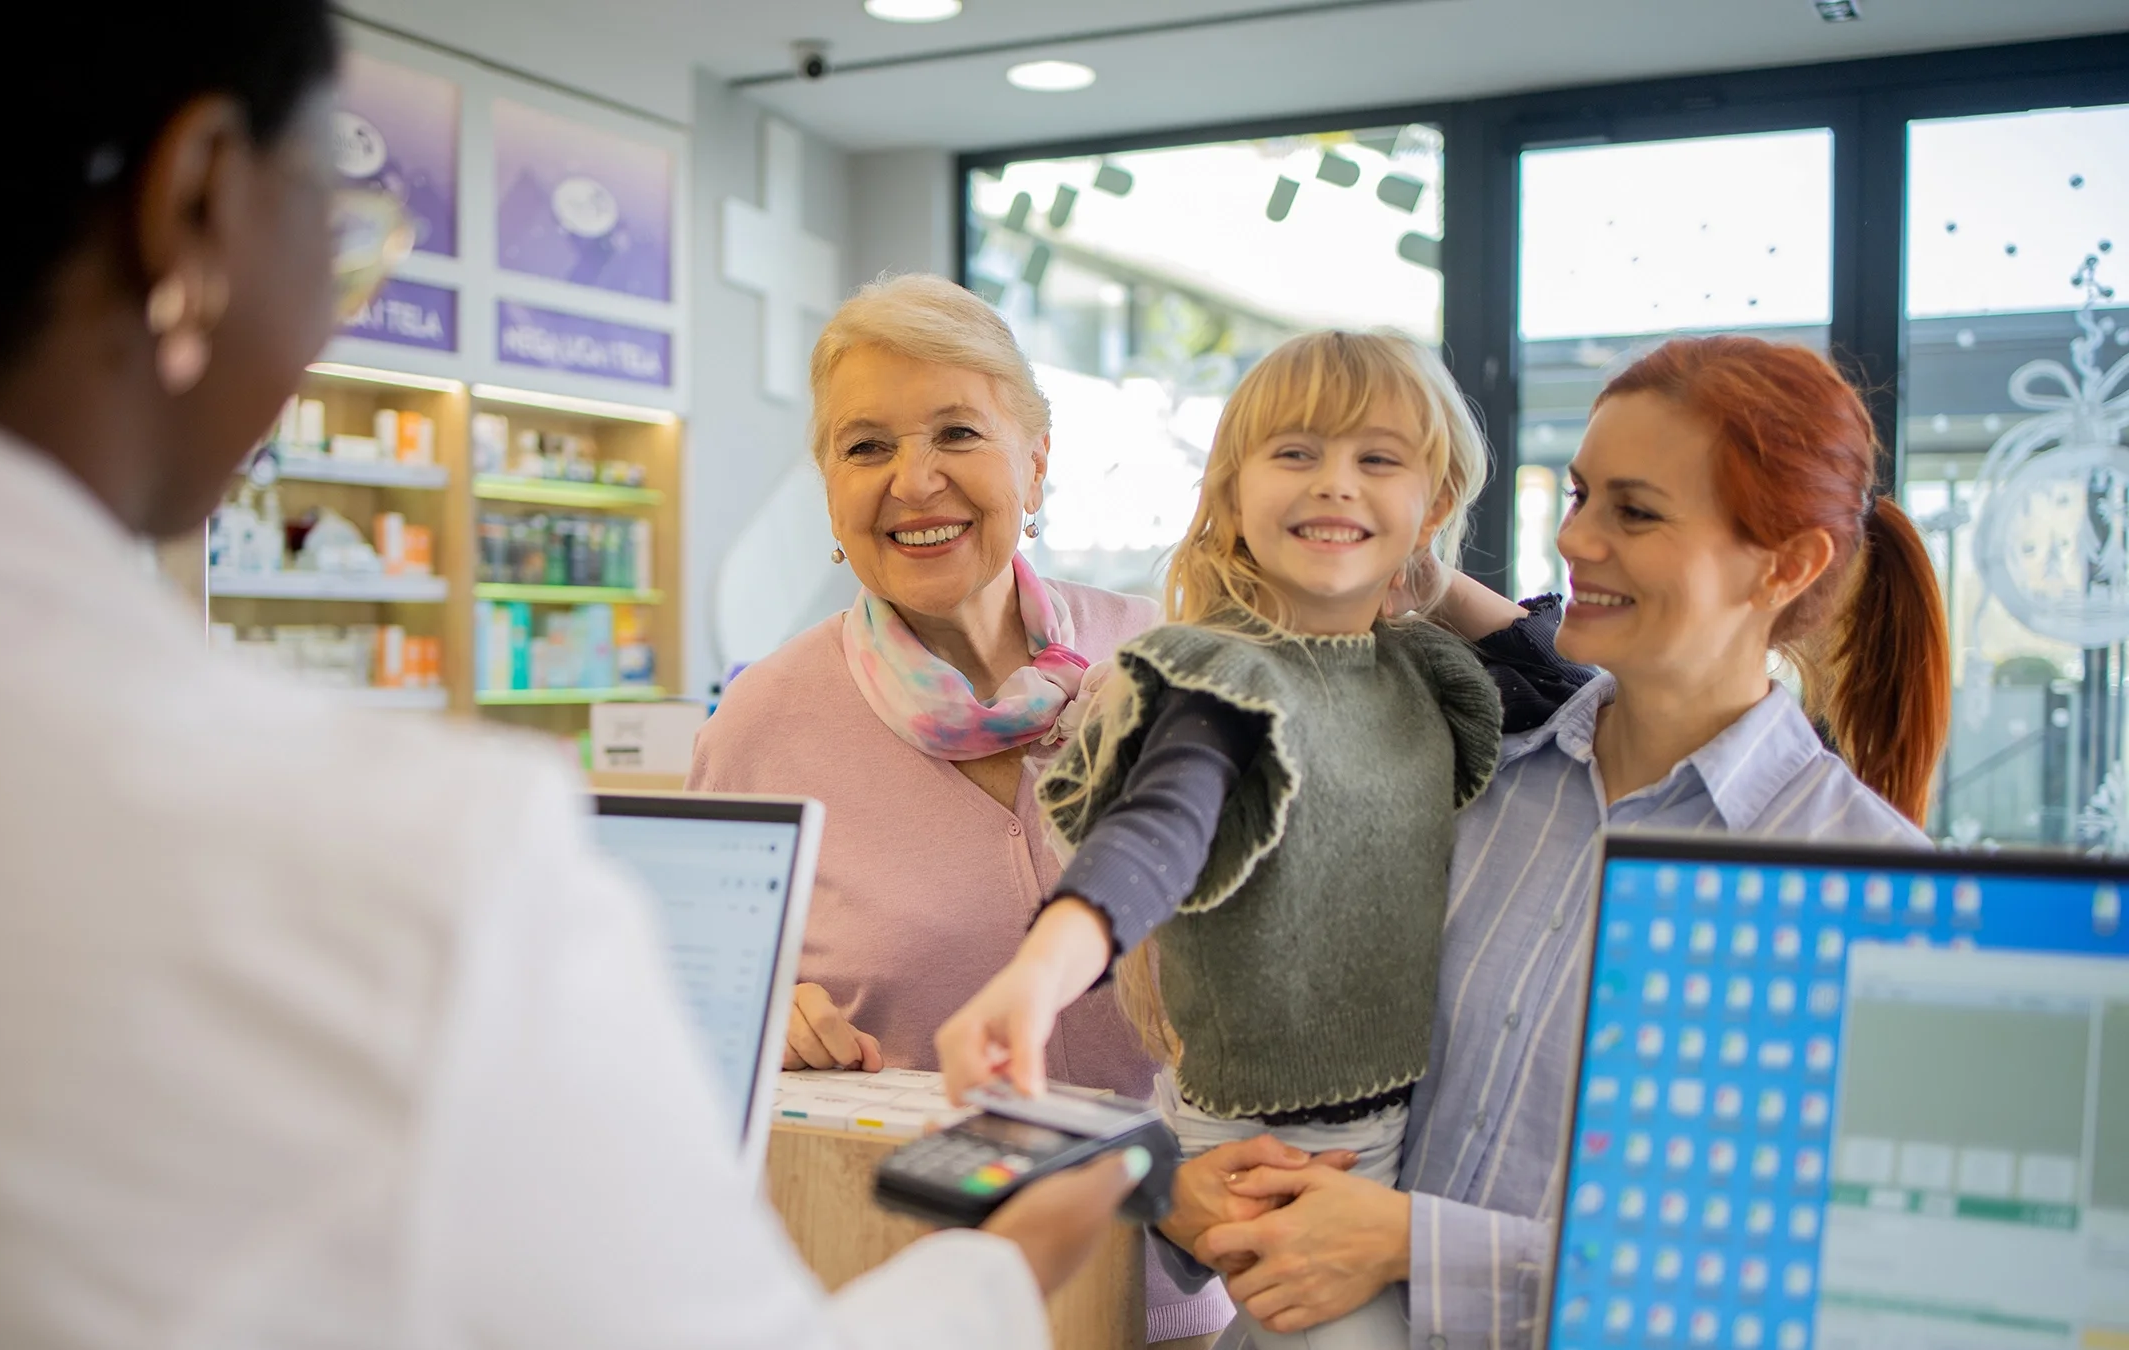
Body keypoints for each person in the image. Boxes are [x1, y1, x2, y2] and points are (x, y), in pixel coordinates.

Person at [0, 8, 1143, 1347]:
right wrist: (1001, 1267)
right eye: (333, 223)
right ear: (201, 201)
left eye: (957, 431)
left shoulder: (1169, 669)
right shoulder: (415, 862)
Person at [945, 335, 1951, 1346]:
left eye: (1635, 512)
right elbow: (1248, 1010)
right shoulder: (1463, 770)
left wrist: (1412, 1244)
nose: (1579, 541)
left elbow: (1809, 1283)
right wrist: (1178, 1188)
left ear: (1790, 564)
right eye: (1579, 496)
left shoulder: (1872, 894)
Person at [685, 275, 1237, 1347]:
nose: (915, 480)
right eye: (866, 447)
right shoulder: (762, 721)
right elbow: (690, 1034)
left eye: (956, 432)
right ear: (828, 486)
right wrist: (769, 1019)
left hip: (1192, 1288)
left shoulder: (1173, 664)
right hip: (902, 1291)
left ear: (1034, 460)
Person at [944, 330, 1504, 1350]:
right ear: (1232, 497)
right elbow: (1151, 840)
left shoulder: (1425, 673)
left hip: (1409, 1139)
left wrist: (1427, 572)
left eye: (1378, 460)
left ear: (1433, 500)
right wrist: (1039, 972)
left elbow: (1571, 683)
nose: (1335, 484)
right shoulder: (1218, 682)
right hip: (1276, 1149)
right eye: (1295, 453)